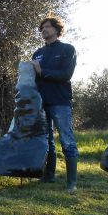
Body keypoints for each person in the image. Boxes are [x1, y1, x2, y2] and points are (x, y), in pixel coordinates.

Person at [32, 17, 79, 194]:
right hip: (41, 103)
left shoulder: (67, 49)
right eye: (42, 27)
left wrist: (42, 71)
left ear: (57, 29)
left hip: (60, 101)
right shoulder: (37, 53)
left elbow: (66, 74)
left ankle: (71, 182)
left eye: (48, 26)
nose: (44, 29)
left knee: (66, 139)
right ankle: (48, 175)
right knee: (47, 140)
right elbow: (34, 78)